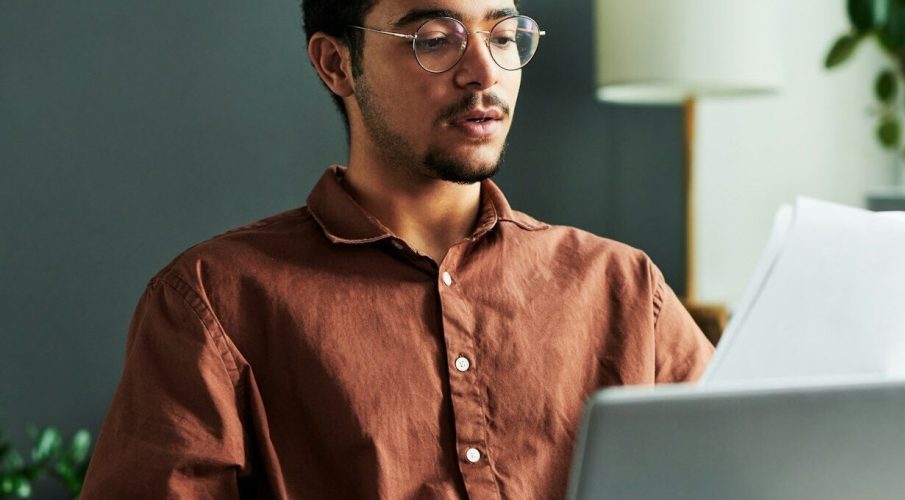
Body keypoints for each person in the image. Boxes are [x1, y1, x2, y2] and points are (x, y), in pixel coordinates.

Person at [80, 0, 713, 497]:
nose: (484, 72)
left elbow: (749, 469)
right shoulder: (214, 299)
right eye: (435, 39)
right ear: (336, 63)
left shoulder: (623, 286)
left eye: (502, 35)